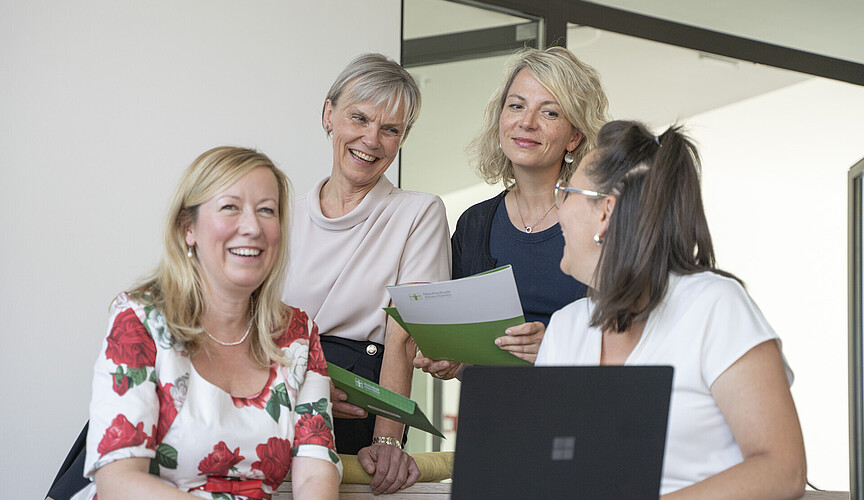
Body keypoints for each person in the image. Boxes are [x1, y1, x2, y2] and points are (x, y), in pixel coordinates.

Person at [52, 147, 341, 500]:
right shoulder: (139, 319)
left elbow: (315, 474)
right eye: (230, 207)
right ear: (188, 228)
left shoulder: (299, 333)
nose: (253, 227)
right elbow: (118, 480)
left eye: (267, 210)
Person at [537, 120, 806, 498]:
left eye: (566, 192)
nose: (558, 208)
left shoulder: (715, 306)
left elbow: (783, 470)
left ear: (605, 212)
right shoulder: (565, 328)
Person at [282, 54, 451, 494]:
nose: (371, 140)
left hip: (363, 411)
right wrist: (303, 391)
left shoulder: (419, 212)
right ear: (329, 114)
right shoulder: (282, 215)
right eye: (359, 118)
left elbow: (404, 335)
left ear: (402, 138)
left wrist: (387, 439)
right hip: (281, 401)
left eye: (390, 129)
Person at [414, 46, 609, 380]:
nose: (527, 122)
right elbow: (469, 350)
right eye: (516, 106)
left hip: (580, 406)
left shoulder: (603, 221)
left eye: (550, 112)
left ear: (575, 136)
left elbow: (641, 339)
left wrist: (557, 347)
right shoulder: (475, 224)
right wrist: (456, 362)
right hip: (490, 408)